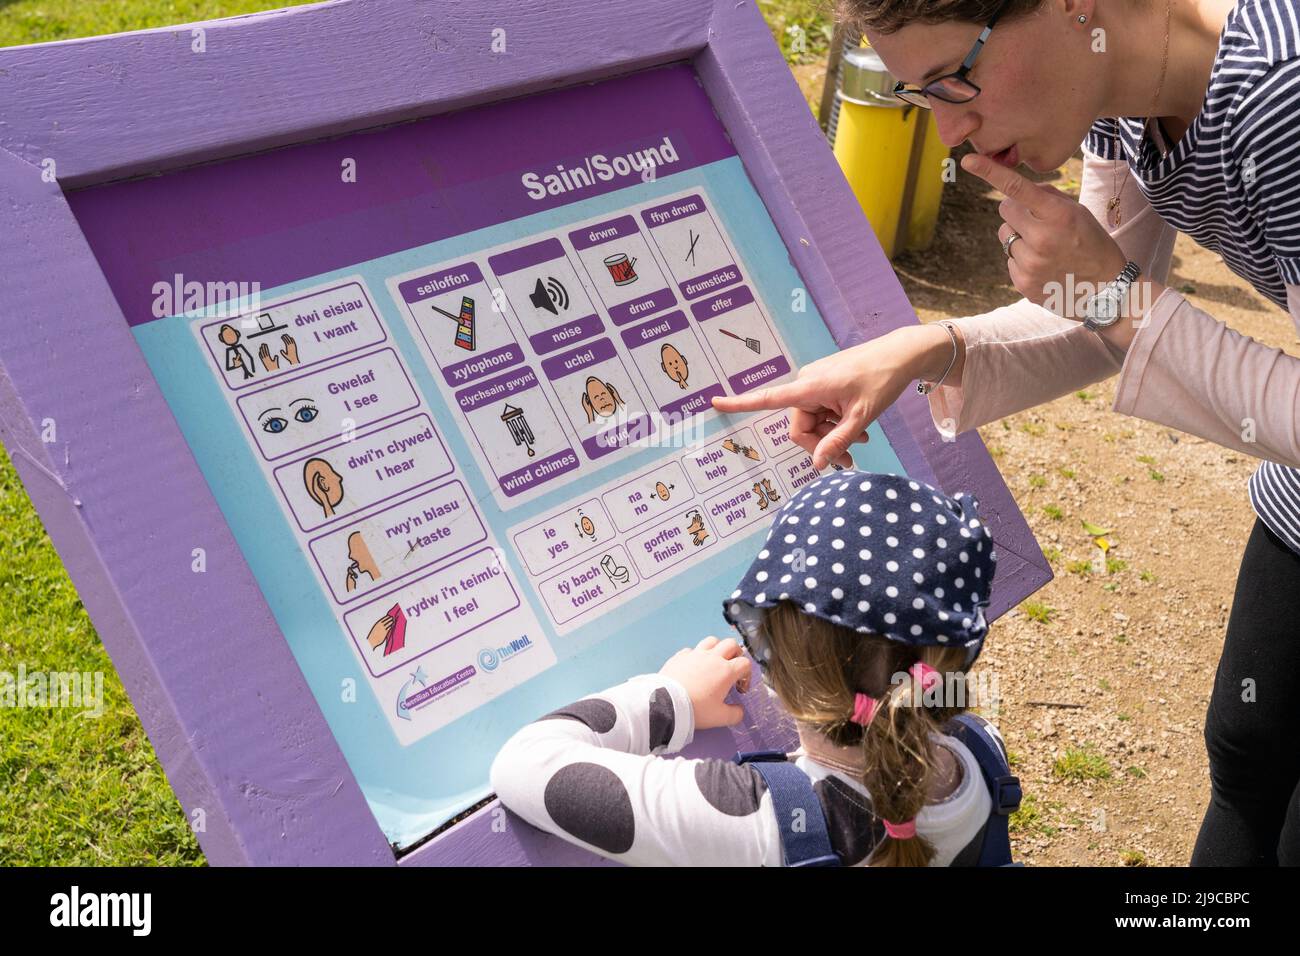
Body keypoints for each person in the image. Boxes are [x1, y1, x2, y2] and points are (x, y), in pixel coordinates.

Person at [712, 0, 1300, 867]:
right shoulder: (1115, 94)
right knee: (1247, 752)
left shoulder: (1281, 95)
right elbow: (1100, 322)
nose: (954, 130)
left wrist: (1110, 291)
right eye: (922, 97)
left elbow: (1117, 303)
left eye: (959, 79)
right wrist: (931, 349)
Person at [490, 472, 1014, 866]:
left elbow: (523, 765)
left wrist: (672, 697)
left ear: (777, 664)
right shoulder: (980, 752)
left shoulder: (757, 821)